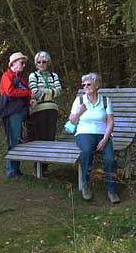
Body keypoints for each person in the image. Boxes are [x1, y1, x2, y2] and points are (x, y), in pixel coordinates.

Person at [68, 73, 120, 204]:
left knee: (109, 159)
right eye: (84, 85)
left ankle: (112, 190)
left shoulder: (105, 101)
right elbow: (72, 121)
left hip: (103, 134)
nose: (86, 87)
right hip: (84, 133)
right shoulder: (79, 100)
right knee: (86, 151)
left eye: (88, 84)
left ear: (97, 85)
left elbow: (110, 122)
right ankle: (85, 184)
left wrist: (105, 139)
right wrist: (79, 112)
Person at [26, 51, 63, 175]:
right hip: (39, 110)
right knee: (39, 138)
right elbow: (35, 92)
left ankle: (45, 168)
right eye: (39, 62)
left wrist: (44, 92)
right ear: (36, 64)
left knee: (50, 137)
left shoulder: (54, 76)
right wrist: (50, 92)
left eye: (44, 61)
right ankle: (37, 167)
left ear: (48, 63)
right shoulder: (33, 75)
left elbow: (59, 91)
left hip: (52, 109)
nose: (41, 64)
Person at [0, 52, 33, 180]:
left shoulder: (19, 77)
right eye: (21, 62)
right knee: (13, 141)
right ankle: (11, 171)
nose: (23, 65)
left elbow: (26, 92)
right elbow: (10, 92)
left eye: (24, 63)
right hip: (11, 113)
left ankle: (16, 169)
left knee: (18, 141)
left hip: (20, 112)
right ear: (13, 63)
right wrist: (27, 93)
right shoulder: (7, 76)